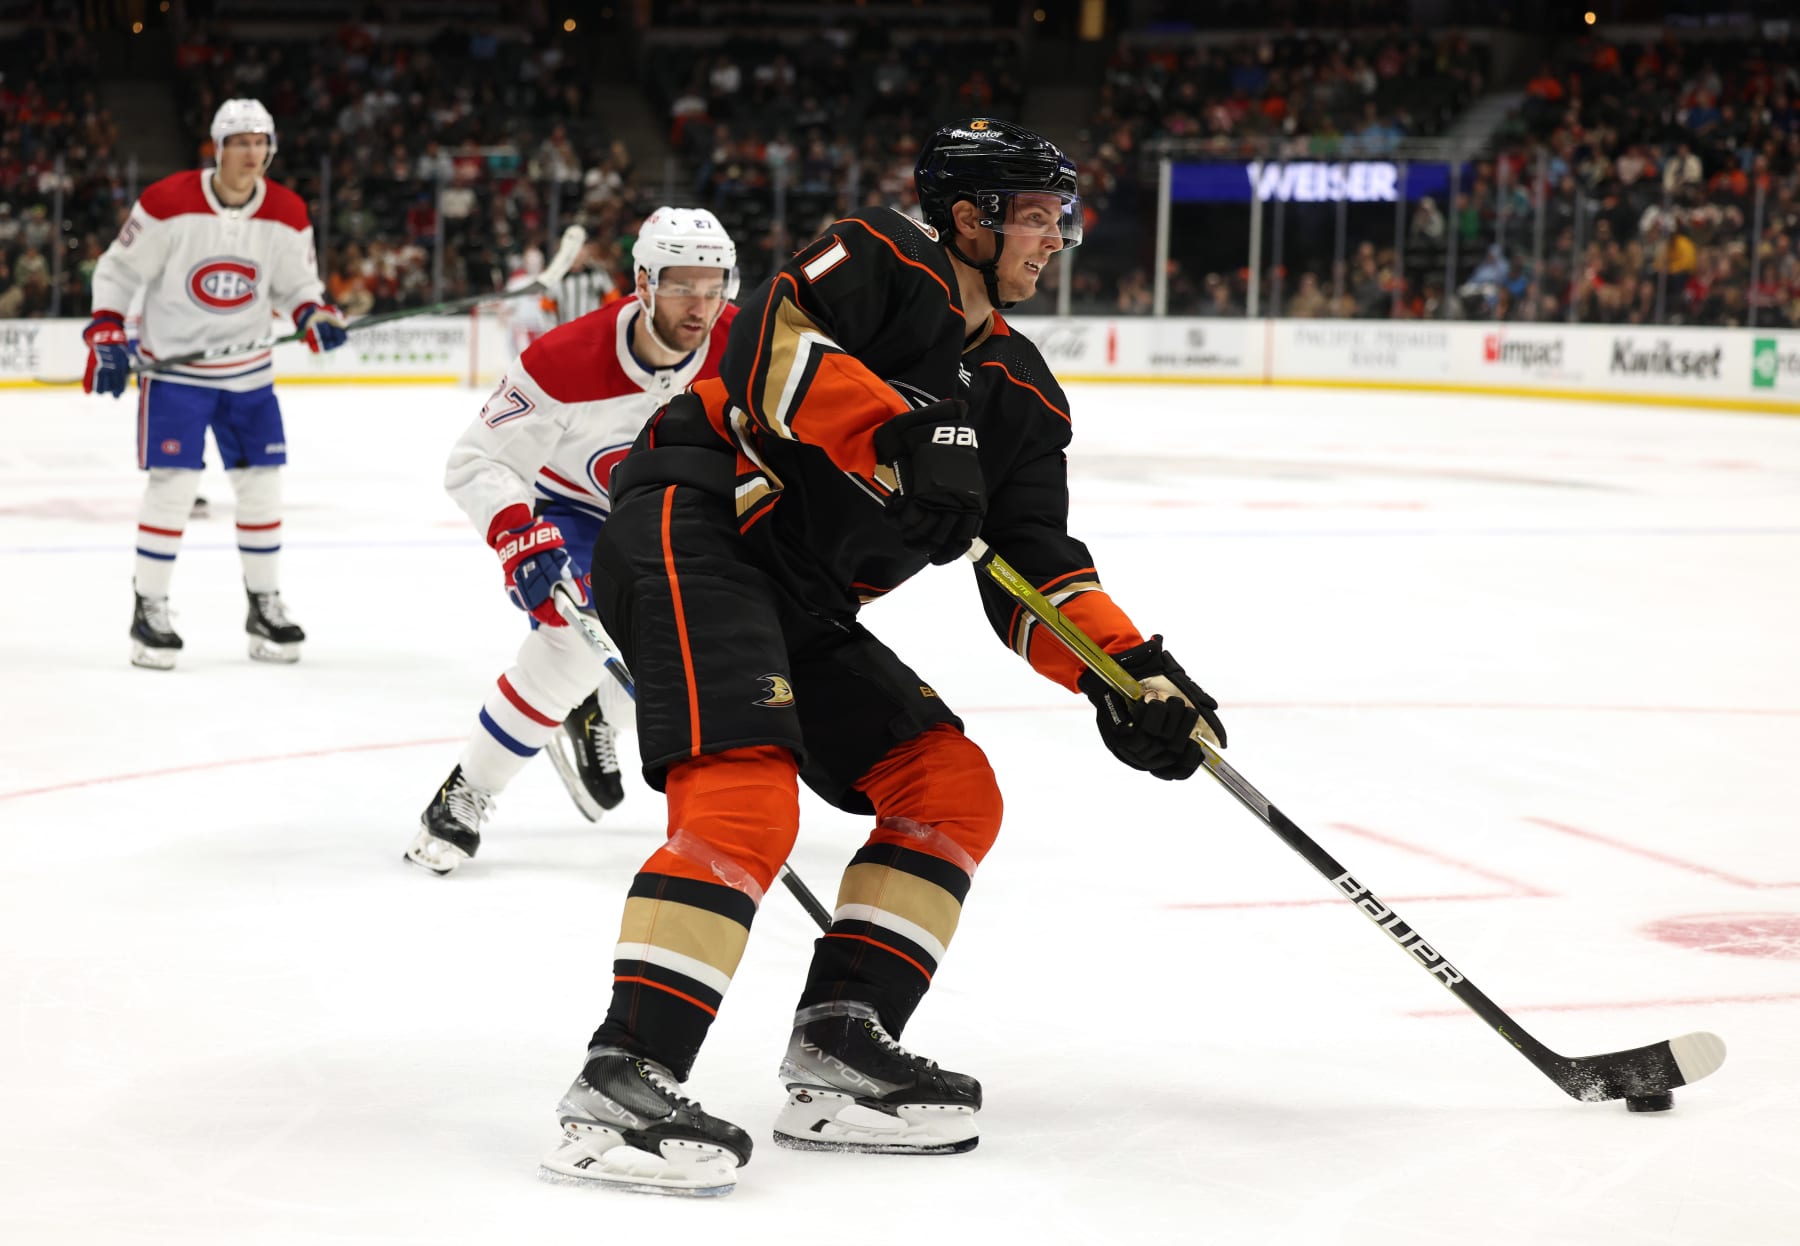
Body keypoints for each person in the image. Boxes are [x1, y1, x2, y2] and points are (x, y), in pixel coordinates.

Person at [537, 118, 1227, 1196]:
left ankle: (840, 1042)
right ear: (972, 217)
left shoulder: (1024, 397)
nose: (1057, 239)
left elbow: (1038, 570)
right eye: (1039, 217)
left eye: (1059, 219)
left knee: (951, 787)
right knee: (749, 797)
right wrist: (896, 431)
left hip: (800, 599)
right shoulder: (880, 260)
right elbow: (764, 346)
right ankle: (621, 1079)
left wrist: (1128, 674)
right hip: (694, 522)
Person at [407, 207, 740, 876]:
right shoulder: (565, 360)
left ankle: (596, 722)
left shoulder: (748, 346)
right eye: (681, 285)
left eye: (713, 286)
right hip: (578, 509)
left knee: (699, 644)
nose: (699, 305)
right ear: (643, 283)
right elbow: (477, 462)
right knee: (572, 640)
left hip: (680, 511)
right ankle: (467, 790)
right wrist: (518, 536)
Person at [81, 98, 348, 669]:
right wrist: (107, 329)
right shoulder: (167, 201)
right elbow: (119, 269)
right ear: (219, 147)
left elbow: (297, 285)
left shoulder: (287, 211)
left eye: (261, 143)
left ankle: (263, 604)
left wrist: (312, 316)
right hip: (177, 373)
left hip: (248, 377)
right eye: (241, 142)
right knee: (173, 489)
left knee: (262, 489)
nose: (253, 153)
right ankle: (148, 608)